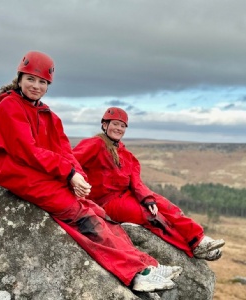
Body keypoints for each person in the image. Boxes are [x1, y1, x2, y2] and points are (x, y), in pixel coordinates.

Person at [0, 51, 182, 293]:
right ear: (20, 78)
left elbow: (65, 150)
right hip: (18, 173)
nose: (36, 86)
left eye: (42, 81)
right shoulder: (9, 107)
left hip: (40, 171)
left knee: (98, 211)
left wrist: (78, 175)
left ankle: (147, 264)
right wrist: (68, 174)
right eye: (31, 79)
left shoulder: (48, 115)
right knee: (80, 215)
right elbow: (28, 152)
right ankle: (133, 274)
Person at [72, 107, 225, 261]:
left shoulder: (126, 154)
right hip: (107, 202)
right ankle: (191, 248)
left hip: (125, 195)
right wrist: (77, 184)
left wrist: (147, 198)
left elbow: (136, 181)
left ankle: (198, 239)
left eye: (122, 126)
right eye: (115, 124)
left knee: (166, 206)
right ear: (105, 125)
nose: (119, 128)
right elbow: (71, 162)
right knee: (151, 216)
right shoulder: (95, 144)